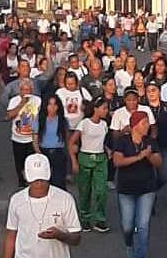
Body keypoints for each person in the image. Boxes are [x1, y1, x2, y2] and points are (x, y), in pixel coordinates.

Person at [2, 153, 81, 258]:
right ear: (25, 175)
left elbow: (76, 238)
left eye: (42, 179)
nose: (39, 183)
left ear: (50, 173)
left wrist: (59, 235)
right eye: (34, 180)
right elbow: (11, 236)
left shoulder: (65, 199)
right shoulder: (17, 200)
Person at [113, 111, 162, 258]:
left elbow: (159, 163)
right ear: (135, 125)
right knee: (127, 226)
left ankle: (140, 255)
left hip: (147, 188)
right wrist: (139, 156)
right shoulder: (122, 141)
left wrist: (149, 156)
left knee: (143, 225)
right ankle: (129, 245)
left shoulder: (150, 142)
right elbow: (118, 161)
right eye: (144, 122)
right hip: (126, 189)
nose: (148, 126)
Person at [68, 96, 110, 233]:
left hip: (100, 158)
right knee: (85, 190)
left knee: (101, 190)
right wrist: (74, 160)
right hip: (85, 156)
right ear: (96, 109)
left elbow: (101, 141)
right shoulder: (84, 123)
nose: (106, 111)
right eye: (103, 108)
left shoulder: (104, 124)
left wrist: (107, 150)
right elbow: (71, 142)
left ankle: (100, 219)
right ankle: (85, 218)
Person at [142, 80, 167, 197]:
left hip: (164, 144)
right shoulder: (143, 107)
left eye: (154, 90)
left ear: (159, 91)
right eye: (148, 91)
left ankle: (153, 189)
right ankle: (149, 197)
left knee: (165, 173)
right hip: (147, 145)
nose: (151, 93)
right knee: (149, 173)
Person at [7, 79, 42, 187]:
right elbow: (9, 116)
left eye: (28, 90)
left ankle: (31, 180)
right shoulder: (14, 100)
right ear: (20, 90)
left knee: (31, 160)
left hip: (31, 137)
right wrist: (21, 104)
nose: (26, 92)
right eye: (24, 90)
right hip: (17, 138)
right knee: (19, 162)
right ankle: (21, 181)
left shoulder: (37, 100)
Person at [31, 96, 69, 189]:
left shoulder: (62, 120)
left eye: (55, 104)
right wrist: (38, 153)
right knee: (46, 180)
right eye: (50, 104)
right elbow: (35, 137)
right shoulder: (39, 119)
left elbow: (66, 138)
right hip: (43, 151)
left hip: (58, 152)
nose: (52, 107)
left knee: (59, 181)